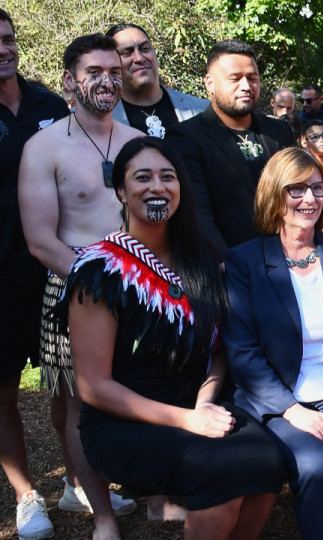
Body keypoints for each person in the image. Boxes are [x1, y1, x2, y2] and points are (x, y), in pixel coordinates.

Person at [60, 136, 285, 539]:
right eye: (142, 177)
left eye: (168, 177)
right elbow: (94, 387)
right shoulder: (99, 271)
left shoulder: (201, 257)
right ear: (121, 191)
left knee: (268, 462)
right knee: (221, 474)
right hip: (121, 423)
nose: (157, 187)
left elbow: (219, 349)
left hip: (197, 405)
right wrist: (187, 420)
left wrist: (203, 402)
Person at [224, 147, 323, 540]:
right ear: (274, 194)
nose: (310, 198)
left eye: (317, 187)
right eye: (296, 189)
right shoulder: (244, 262)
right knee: (315, 469)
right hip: (281, 403)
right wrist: (291, 410)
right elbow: (242, 352)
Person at [19, 33, 144, 539]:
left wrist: (148, 278)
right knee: (79, 402)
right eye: (95, 72)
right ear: (69, 80)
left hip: (141, 286)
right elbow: (41, 241)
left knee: (145, 389)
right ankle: (104, 517)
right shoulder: (44, 146)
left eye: (114, 72)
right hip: (75, 290)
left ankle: (153, 499)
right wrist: (101, 283)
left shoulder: (133, 136)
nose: (108, 81)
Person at [0, 8, 68, 540]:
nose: (3, 48)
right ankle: (26, 495)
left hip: (51, 267)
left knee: (65, 381)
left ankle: (77, 480)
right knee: (2, 390)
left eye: (7, 38)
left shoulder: (48, 104)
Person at [166, 39, 296, 258]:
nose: (246, 86)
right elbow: (197, 214)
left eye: (252, 78)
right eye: (235, 79)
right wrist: (230, 267)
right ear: (210, 83)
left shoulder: (280, 131)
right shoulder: (185, 138)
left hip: (288, 260)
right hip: (228, 267)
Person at [105, 23, 208, 137]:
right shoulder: (102, 121)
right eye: (127, 52)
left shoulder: (202, 110)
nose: (139, 58)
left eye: (145, 49)